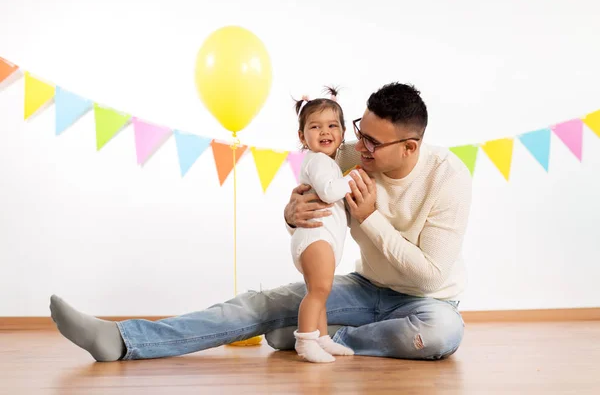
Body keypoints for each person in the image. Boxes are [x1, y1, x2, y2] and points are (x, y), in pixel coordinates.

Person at [49, 82, 472, 362]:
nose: (357, 144)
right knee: (263, 302)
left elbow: (431, 277)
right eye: (359, 129)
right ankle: (125, 340)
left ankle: (329, 338)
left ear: (410, 147)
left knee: (440, 334)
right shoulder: (346, 156)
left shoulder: (448, 179)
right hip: (366, 287)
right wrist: (291, 217)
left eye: (372, 142)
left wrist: (371, 219)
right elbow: (314, 210)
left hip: (425, 302)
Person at [289, 87, 358, 363]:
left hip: (321, 237)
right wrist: (354, 179)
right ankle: (305, 342)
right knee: (319, 290)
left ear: (342, 133)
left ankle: (322, 338)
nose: (324, 132)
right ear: (302, 136)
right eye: (315, 127)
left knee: (319, 291)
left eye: (332, 126)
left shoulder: (328, 162)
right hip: (315, 237)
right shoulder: (318, 161)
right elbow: (330, 192)